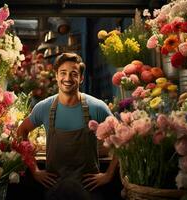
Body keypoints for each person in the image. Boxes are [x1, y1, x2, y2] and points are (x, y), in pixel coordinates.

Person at [17, 52, 119, 200]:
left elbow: (123, 138)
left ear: (81, 78)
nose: (68, 78)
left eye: (74, 74)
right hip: (54, 191)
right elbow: (22, 131)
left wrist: (108, 175)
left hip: (89, 191)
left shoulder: (97, 107)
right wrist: (35, 170)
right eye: (63, 73)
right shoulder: (44, 107)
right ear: (57, 76)